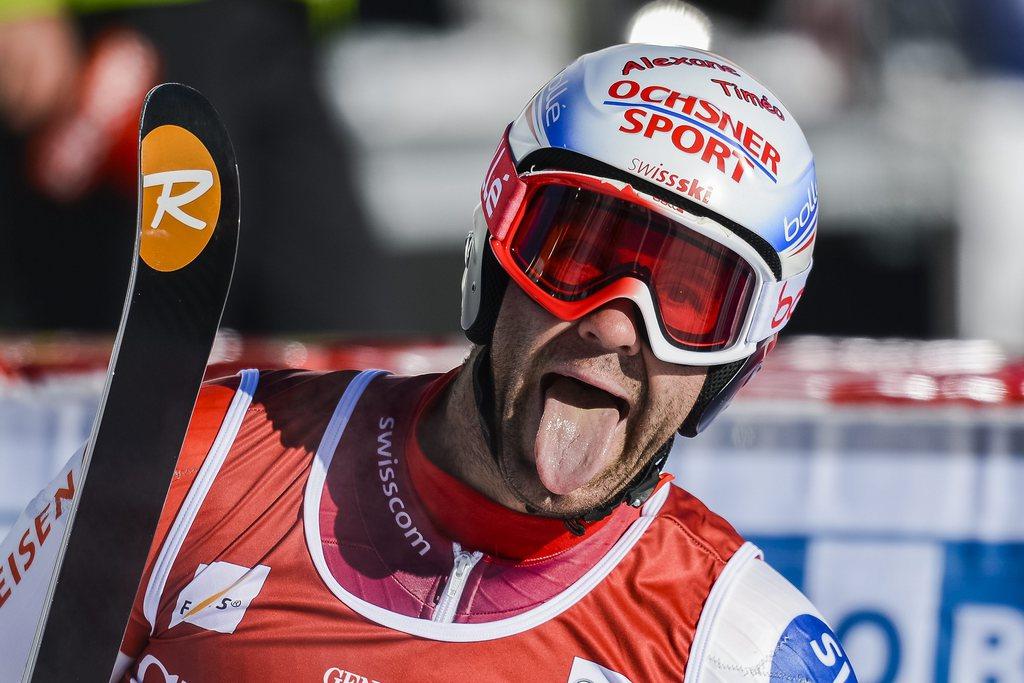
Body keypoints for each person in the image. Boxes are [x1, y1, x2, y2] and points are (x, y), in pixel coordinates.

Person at [2, 43, 847, 682]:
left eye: (695, 302)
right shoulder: (202, 463)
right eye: (580, 251)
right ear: (496, 246)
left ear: (742, 355)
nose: (621, 328)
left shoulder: (741, 648)